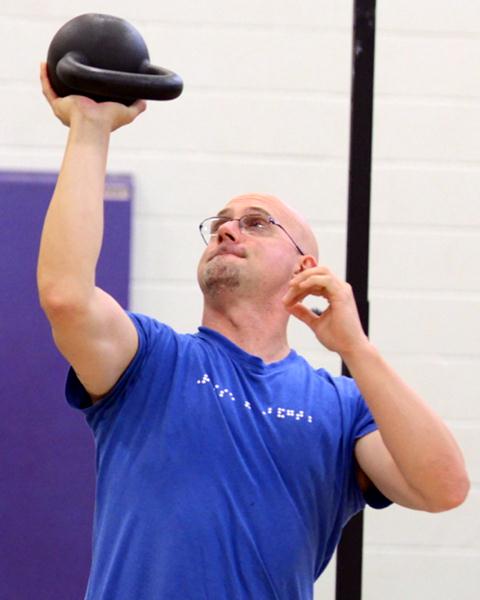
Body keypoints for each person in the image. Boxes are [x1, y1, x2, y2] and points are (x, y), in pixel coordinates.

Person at [37, 62, 469, 600]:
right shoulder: (150, 360)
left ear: (304, 267)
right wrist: (89, 127)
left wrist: (355, 348)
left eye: (257, 222)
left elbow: (444, 490)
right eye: (220, 222)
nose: (227, 229)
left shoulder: (342, 406)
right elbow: (65, 295)